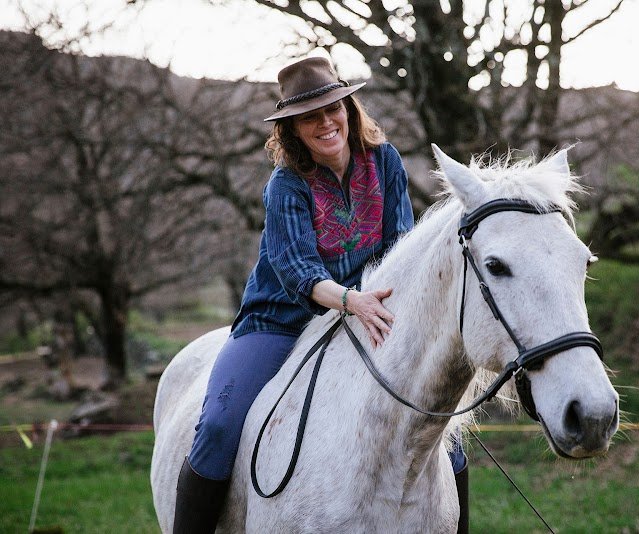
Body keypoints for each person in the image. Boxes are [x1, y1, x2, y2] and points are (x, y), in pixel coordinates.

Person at [172, 56, 469, 533]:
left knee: (443, 434)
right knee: (218, 427)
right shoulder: (286, 184)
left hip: (365, 313)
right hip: (281, 320)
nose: (326, 122)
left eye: (334, 109)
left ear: (350, 110)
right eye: (310, 116)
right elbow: (297, 271)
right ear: (292, 129)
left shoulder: (385, 161)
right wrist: (352, 301)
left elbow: (400, 246)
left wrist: (379, 306)